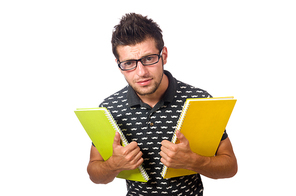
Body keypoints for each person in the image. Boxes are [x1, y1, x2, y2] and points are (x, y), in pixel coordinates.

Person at [87, 13, 237, 196]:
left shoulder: (200, 100)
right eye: (129, 63)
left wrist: (193, 161)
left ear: (163, 55)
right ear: (119, 65)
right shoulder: (109, 108)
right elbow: (95, 173)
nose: (141, 72)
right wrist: (113, 165)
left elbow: (230, 167)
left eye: (149, 59)